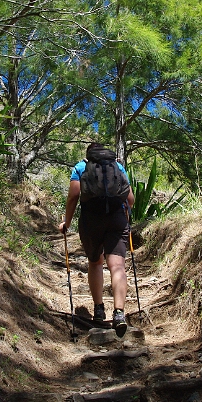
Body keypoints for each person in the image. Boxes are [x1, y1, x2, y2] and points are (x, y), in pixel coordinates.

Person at [58, 143, 135, 337]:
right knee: (117, 266)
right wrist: (124, 217)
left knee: (95, 262)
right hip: (117, 219)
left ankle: (99, 310)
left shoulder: (81, 167)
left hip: (91, 220)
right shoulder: (117, 166)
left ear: (89, 154)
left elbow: (74, 196)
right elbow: (130, 198)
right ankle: (119, 314)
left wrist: (66, 222)